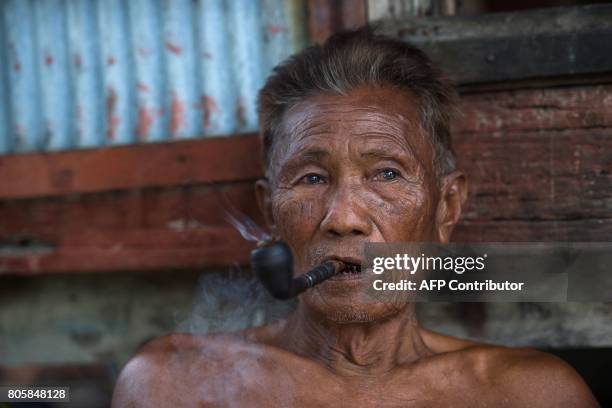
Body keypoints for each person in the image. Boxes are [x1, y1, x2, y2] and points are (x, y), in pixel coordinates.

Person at [112, 28, 598, 407]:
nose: (343, 218)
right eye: (311, 178)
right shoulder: (171, 385)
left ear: (446, 207)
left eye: (386, 173)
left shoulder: (531, 396)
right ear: (270, 212)